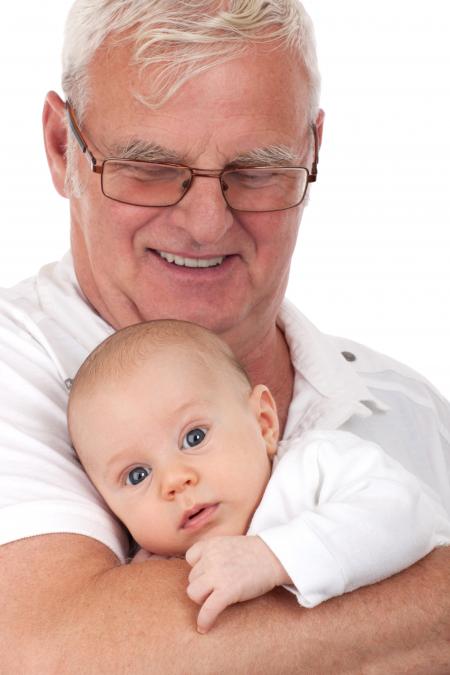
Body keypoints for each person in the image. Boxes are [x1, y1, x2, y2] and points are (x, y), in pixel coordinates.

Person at [0, 1, 449, 672]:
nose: (207, 223)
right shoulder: (15, 367)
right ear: (63, 147)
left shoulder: (411, 408)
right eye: (148, 167)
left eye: (257, 171)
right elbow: (57, 652)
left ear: (311, 153)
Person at [67, 319, 450, 635]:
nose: (174, 480)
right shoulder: (155, 566)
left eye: (194, 437)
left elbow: (403, 511)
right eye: (137, 475)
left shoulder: (316, 464)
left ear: (263, 422)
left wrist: (273, 557)